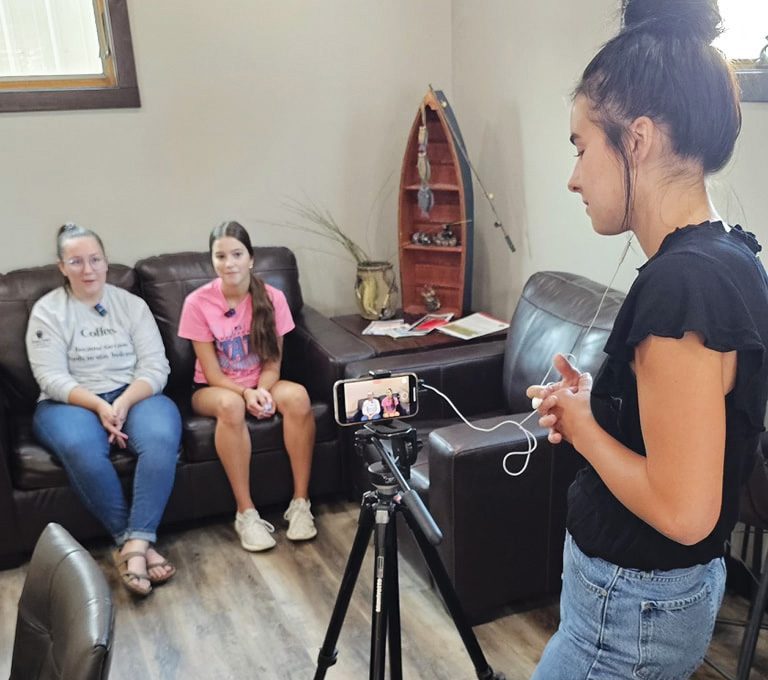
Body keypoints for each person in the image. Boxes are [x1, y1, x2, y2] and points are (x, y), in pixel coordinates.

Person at [527, 1, 768, 678]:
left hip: (624, 617)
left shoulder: (683, 285)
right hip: (633, 607)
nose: (574, 176)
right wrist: (602, 408)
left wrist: (581, 427)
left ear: (636, 139)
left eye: (580, 147)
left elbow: (685, 510)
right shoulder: (727, 257)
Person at [26, 223, 181, 598]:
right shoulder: (48, 312)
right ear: (62, 266)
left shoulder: (131, 306)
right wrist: (98, 405)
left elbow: (155, 367)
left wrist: (124, 402)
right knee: (82, 449)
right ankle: (133, 543)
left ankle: (133, 547)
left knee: (161, 438)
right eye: (76, 261)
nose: (87, 269)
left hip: (135, 394)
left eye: (94, 259)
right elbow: (49, 377)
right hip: (70, 402)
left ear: (106, 262)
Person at [178, 221, 316, 551]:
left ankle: (301, 505)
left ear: (251, 259)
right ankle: (246, 514)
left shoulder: (273, 298)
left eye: (237, 254)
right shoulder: (197, 303)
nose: (229, 264)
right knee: (231, 406)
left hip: (264, 382)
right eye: (220, 256)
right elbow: (210, 373)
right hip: (214, 390)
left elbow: (273, 364)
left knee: (297, 397)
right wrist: (246, 393)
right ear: (212, 262)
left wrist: (262, 390)